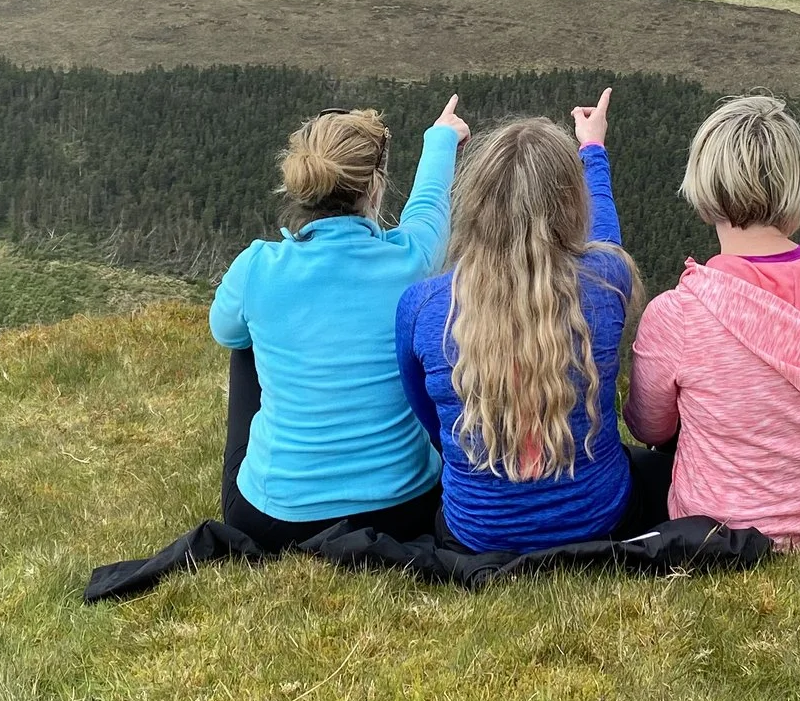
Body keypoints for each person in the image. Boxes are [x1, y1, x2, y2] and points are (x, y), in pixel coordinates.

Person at [395, 89, 666, 553]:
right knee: (661, 469)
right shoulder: (607, 280)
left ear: (475, 205)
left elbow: (430, 418)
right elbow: (605, 239)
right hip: (599, 520)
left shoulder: (423, 306)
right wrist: (592, 149)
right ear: (572, 206)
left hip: (476, 532)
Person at [208, 95, 467, 551]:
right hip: (406, 510)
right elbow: (429, 208)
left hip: (273, 521)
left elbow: (223, 331)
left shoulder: (257, 267)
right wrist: (441, 138)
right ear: (374, 187)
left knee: (244, 342)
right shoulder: (412, 260)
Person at [625, 94, 800, 550]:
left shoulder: (680, 313)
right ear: (795, 185)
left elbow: (650, 428)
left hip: (725, 530)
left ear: (704, 189)